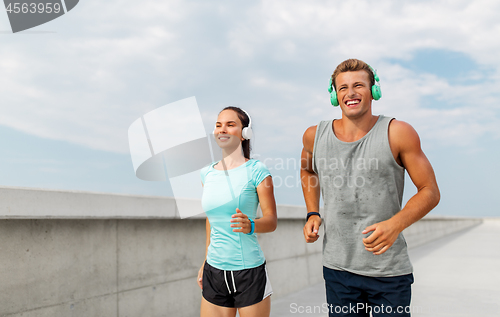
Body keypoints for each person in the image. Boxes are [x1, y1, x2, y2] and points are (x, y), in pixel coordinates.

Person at [301, 59, 440, 317]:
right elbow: (307, 170)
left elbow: (430, 191)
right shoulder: (314, 135)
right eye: (342, 88)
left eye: (358, 86)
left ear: (374, 90)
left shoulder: (398, 132)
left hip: (388, 272)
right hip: (338, 269)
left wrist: (395, 224)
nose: (350, 93)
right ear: (334, 95)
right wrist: (312, 212)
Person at [198, 106, 277, 317]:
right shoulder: (206, 173)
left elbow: (271, 220)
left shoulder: (257, 171)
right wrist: (205, 261)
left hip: (249, 272)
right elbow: (211, 220)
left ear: (245, 133)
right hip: (214, 271)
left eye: (230, 124)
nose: (222, 129)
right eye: (218, 125)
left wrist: (251, 225)